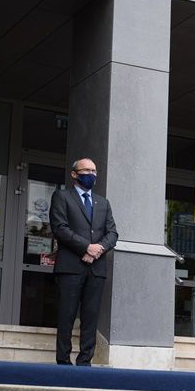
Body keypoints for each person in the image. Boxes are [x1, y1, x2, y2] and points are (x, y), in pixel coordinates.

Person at [49, 157, 118, 366]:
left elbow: (112, 233)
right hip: (70, 267)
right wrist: (86, 247)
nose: (91, 175)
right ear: (74, 174)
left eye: (94, 171)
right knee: (66, 315)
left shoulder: (103, 202)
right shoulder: (62, 196)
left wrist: (97, 250)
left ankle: (85, 361)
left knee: (91, 317)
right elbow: (60, 228)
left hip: (96, 269)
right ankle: (63, 361)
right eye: (86, 170)